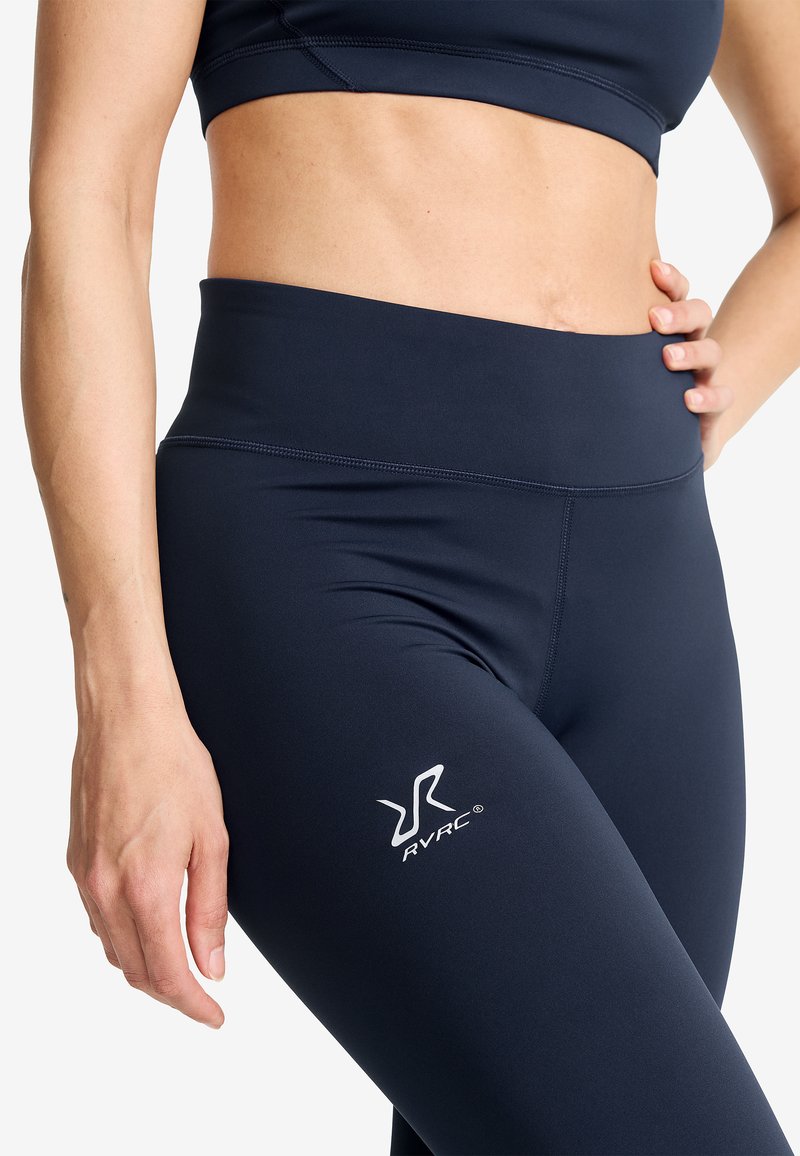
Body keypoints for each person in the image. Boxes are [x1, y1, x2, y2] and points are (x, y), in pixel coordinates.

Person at [20, 1, 798, 1153]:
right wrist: (121, 694)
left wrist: (711, 387)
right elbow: (91, 196)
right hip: (334, 563)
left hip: (649, 596)